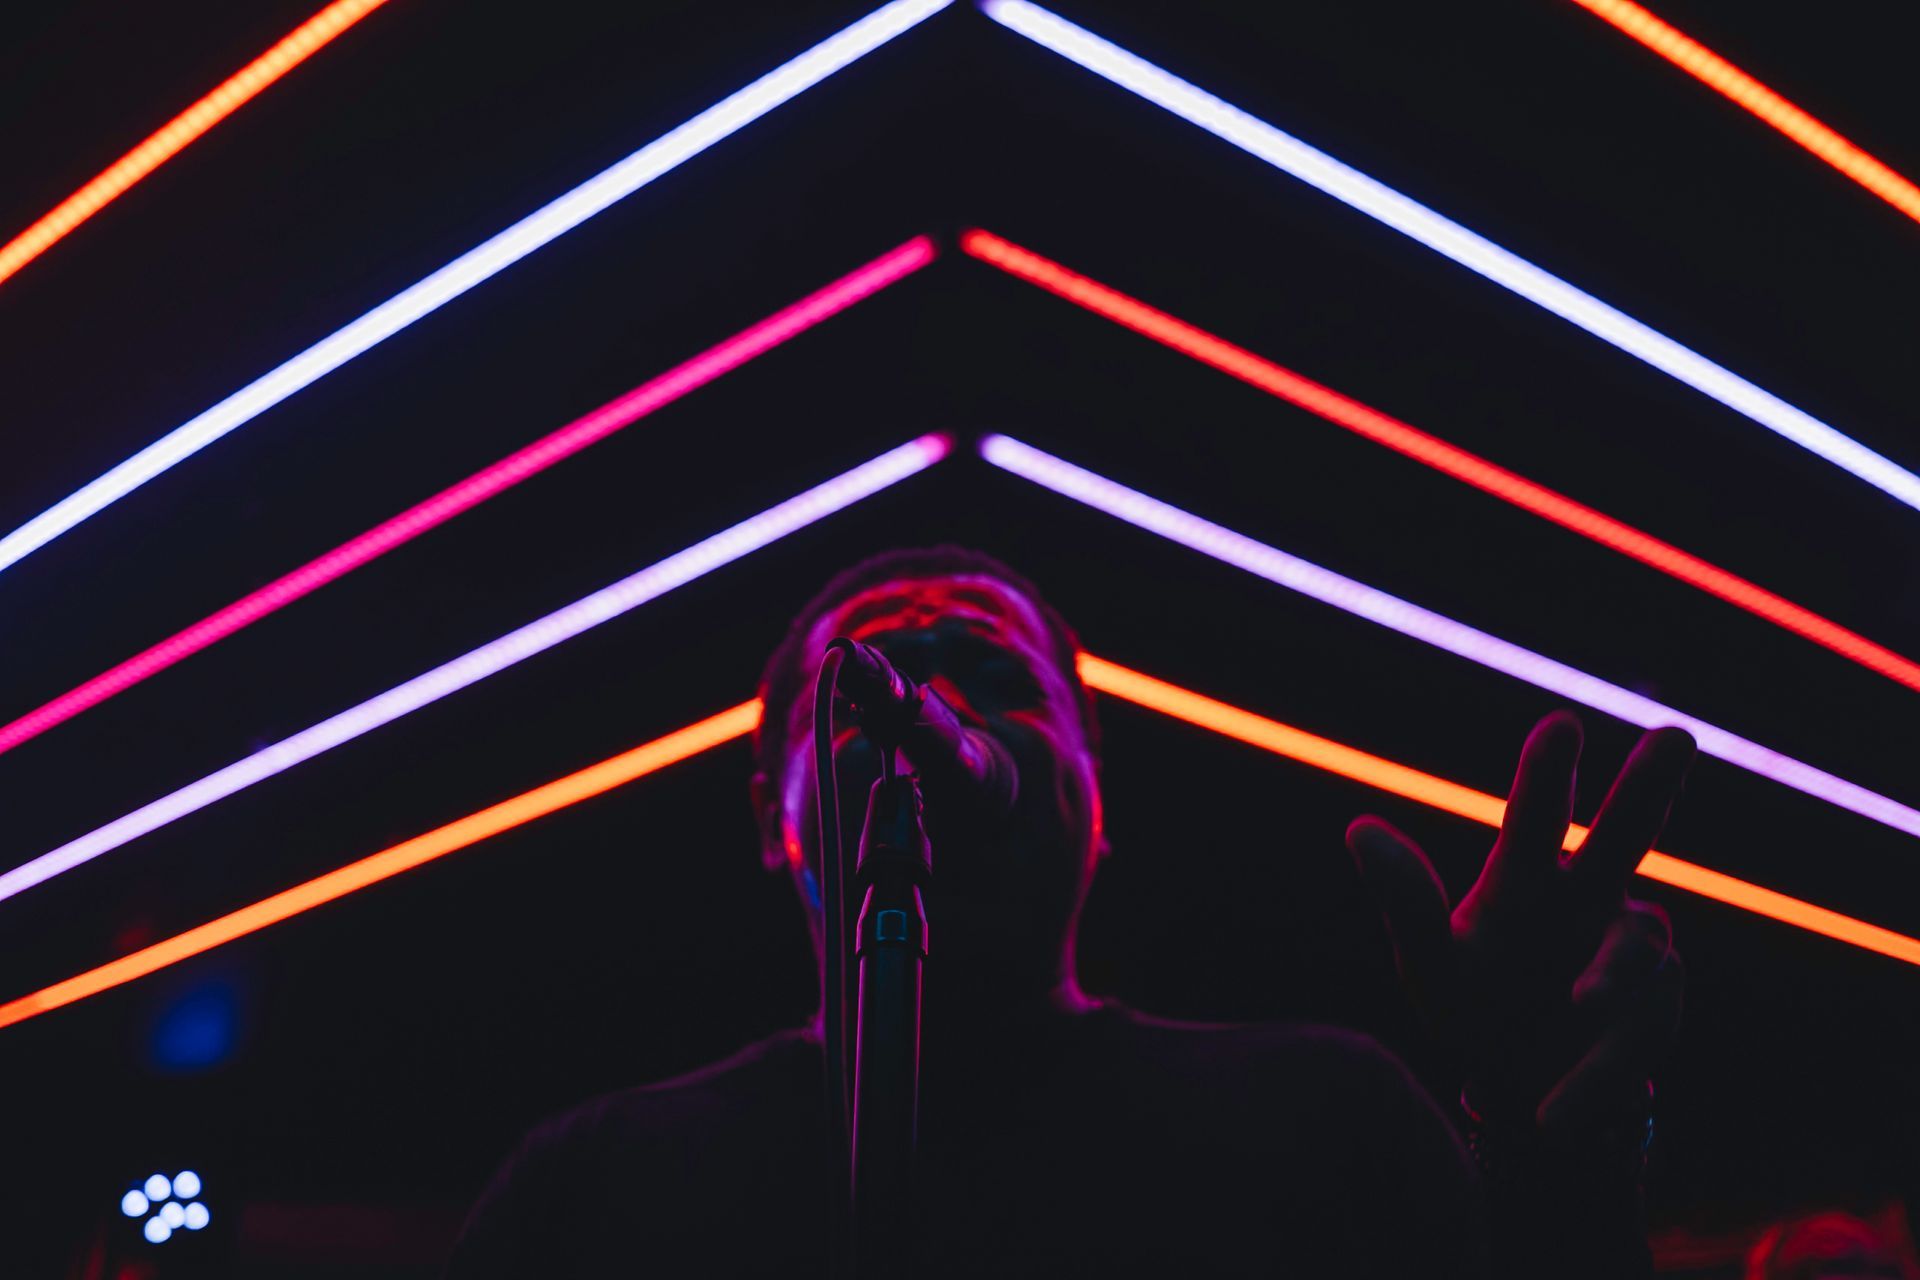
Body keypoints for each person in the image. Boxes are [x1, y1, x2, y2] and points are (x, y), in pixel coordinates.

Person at [447, 547, 1690, 1278]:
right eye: (866, 687)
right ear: (778, 822)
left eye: (997, 676)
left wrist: (1549, 1159)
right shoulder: (589, 1185)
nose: (931, 704)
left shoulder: (1330, 1110)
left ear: (1096, 799)